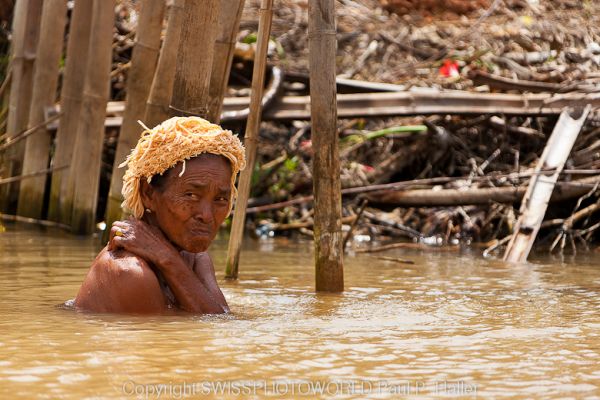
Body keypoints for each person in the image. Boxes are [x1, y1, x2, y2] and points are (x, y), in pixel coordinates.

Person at [74, 117, 246, 314]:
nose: (207, 216)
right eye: (191, 195)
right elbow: (196, 335)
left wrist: (167, 258)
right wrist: (169, 259)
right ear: (148, 194)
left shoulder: (194, 257)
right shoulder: (131, 272)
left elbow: (219, 318)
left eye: (221, 200)